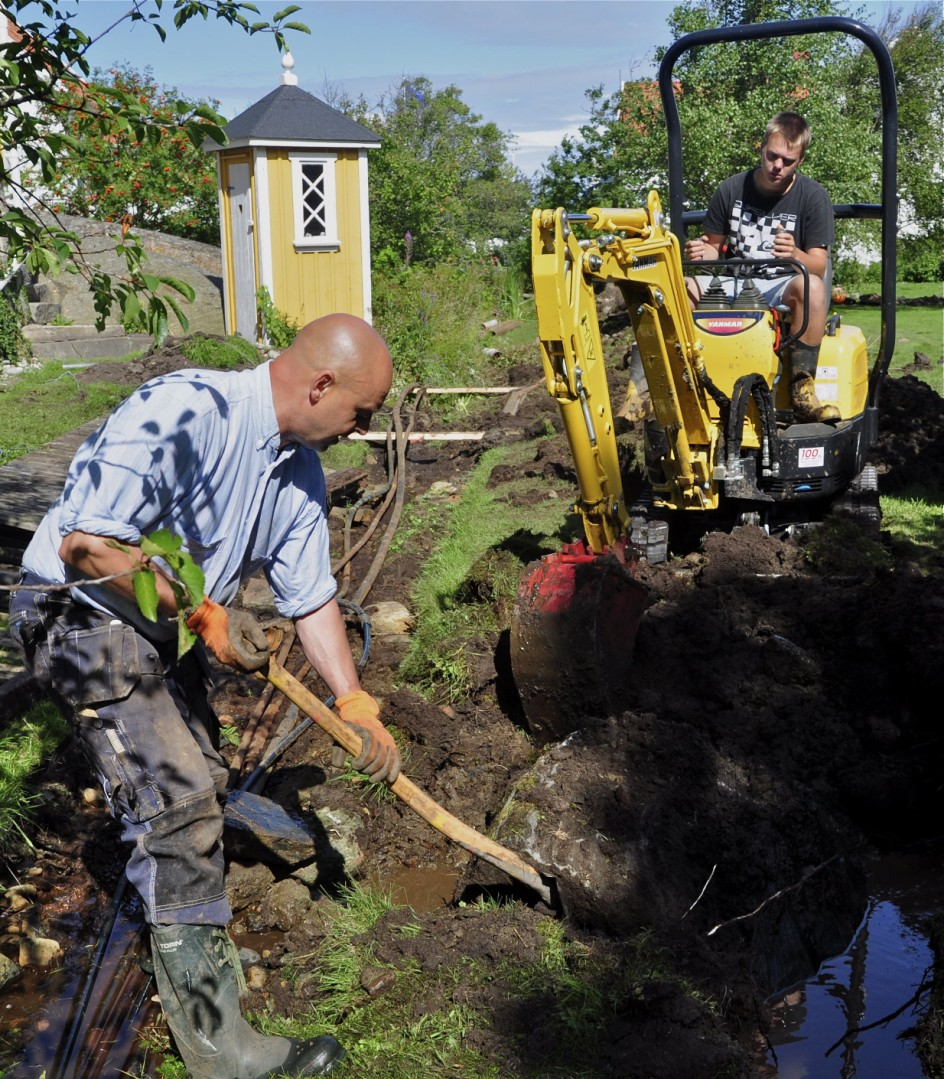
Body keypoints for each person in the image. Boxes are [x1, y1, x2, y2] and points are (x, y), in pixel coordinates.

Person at [8, 313, 402, 1078]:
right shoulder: (186, 410)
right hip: (76, 608)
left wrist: (354, 700)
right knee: (178, 797)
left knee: (205, 770)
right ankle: (223, 1049)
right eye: (360, 414)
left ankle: (188, 924)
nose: (361, 431)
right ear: (321, 385)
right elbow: (86, 543)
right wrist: (202, 613)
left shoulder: (298, 471)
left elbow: (311, 596)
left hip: (158, 625)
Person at [685, 111, 840, 424]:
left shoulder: (813, 197)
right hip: (736, 283)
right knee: (683, 286)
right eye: (772, 156)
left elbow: (818, 265)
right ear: (761, 147)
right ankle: (679, 382)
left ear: (801, 160)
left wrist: (794, 253)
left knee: (812, 286)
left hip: (781, 284)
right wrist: (704, 252)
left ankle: (801, 388)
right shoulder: (731, 189)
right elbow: (713, 246)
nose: (777, 166)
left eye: (788, 160)